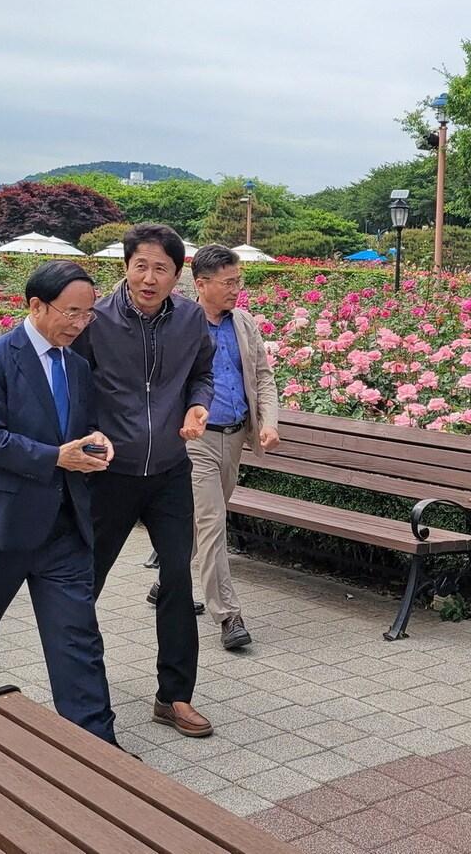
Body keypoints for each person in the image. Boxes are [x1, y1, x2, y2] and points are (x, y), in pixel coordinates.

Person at [0, 261, 119, 745]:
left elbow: (77, 431)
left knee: (77, 638)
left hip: (63, 527)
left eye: (88, 314)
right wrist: (57, 457)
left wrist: (96, 444)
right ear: (36, 306)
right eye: (71, 312)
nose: (79, 323)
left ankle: (97, 743)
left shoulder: (76, 366)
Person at [73, 223, 215, 739]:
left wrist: (199, 406)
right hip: (109, 474)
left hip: (171, 471)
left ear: (178, 274)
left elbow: (203, 372)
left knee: (177, 578)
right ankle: (80, 695)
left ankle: (174, 696)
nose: (149, 277)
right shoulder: (97, 318)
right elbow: (75, 386)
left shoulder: (191, 317)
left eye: (161, 268)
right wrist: (86, 436)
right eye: (141, 265)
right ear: (125, 266)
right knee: (84, 581)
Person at [187, 245, 279, 651]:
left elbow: (263, 377)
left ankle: (169, 576)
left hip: (236, 436)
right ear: (201, 283)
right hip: (196, 440)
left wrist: (270, 424)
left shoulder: (243, 322)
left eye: (238, 280)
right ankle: (228, 615)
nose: (236, 289)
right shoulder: (181, 323)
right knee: (211, 521)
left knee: (203, 517)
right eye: (228, 282)